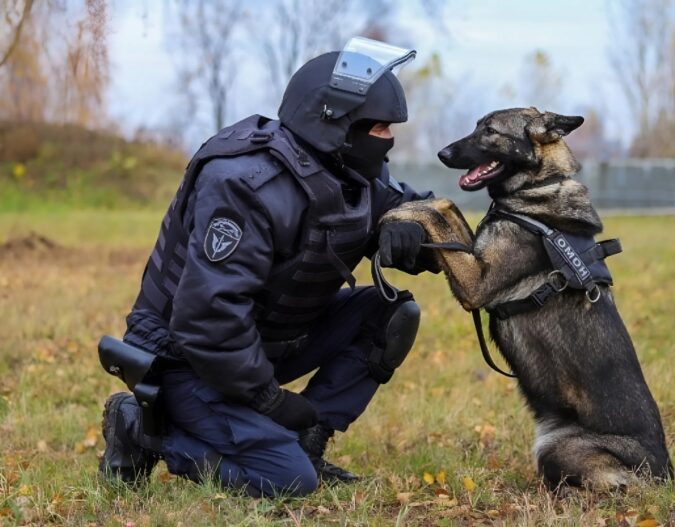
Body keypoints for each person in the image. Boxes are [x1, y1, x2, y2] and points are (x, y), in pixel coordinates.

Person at [98, 37, 438, 498]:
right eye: (379, 128)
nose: (389, 140)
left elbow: (424, 209)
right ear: (335, 125)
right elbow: (207, 320)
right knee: (286, 479)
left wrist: (409, 222)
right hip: (183, 358)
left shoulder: (348, 173)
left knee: (392, 313)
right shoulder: (244, 184)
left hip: (261, 341)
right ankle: (142, 429)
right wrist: (270, 402)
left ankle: (307, 442)